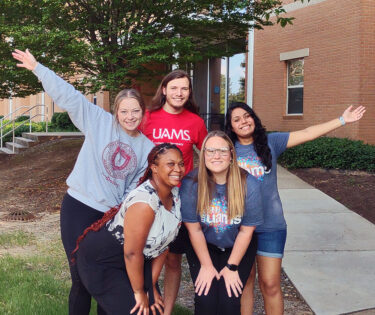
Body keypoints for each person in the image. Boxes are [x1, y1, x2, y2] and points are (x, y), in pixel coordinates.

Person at [12, 49, 155, 315]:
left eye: (135, 111)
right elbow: (70, 96)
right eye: (124, 111)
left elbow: (137, 191)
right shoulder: (99, 121)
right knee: (80, 277)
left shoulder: (148, 148)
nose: (130, 116)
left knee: (103, 276)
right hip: (79, 207)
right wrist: (37, 68)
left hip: (111, 217)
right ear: (116, 112)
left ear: (143, 112)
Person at [225, 102, 366, 315]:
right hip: (238, 227)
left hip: (271, 226)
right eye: (237, 119)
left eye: (247, 116)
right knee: (244, 284)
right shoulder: (227, 149)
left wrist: (342, 120)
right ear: (231, 127)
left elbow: (308, 133)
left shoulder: (271, 142)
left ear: (254, 117)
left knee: (270, 285)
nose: (244, 121)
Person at [71, 143, 185, 315]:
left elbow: (163, 245)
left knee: (154, 311)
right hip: (103, 261)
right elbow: (131, 253)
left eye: (181, 163)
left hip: (135, 262)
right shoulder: (145, 202)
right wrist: (139, 292)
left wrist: (150, 286)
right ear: (154, 167)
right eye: (171, 164)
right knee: (137, 311)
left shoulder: (174, 195)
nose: (178, 169)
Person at [140, 69, 208, 314]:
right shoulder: (147, 117)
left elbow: (210, 154)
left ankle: (166, 311)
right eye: (175, 88)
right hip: (150, 196)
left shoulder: (195, 122)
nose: (179, 93)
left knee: (172, 258)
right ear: (165, 90)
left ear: (189, 93)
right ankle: (147, 299)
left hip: (181, 199)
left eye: (185, 88)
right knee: (146, 252)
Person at [180, 130, 264, 315]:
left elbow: (246, 232)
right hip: (204, 245)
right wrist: (207, 266)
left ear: (231, 155)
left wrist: (231, 267)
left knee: (229, 302)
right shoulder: (191, 184)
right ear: (203, 155)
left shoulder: (249, 184)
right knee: (205, 301)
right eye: (210, 151)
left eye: (222, 151)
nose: (216, 156)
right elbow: (194, 231)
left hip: (237, 245)